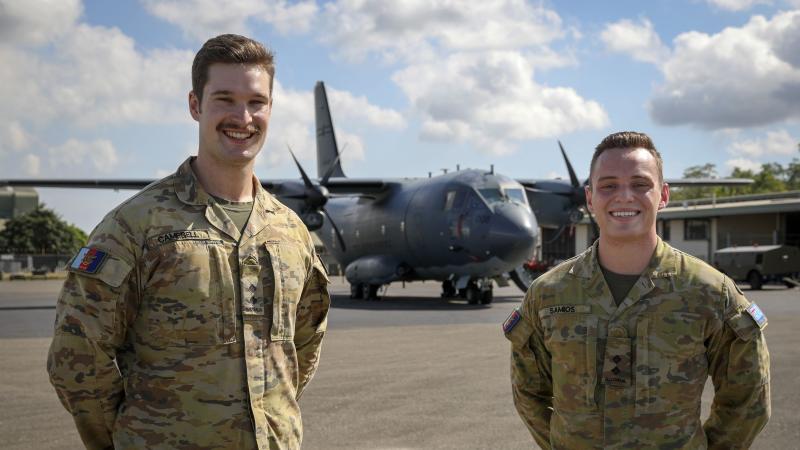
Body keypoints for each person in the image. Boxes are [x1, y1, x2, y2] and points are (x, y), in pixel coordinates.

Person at [47, 34, 331, 450]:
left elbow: (302, 347)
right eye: (225, 99)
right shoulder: (135, 225)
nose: (243, 117)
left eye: (256, 102)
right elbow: (77, 356)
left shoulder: (291, 232)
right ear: (195, 105)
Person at [504, 131, 770, 448]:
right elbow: (528, 392)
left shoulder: (711, 293)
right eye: (609, 186)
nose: (625, 196)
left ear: (663, 195)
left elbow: (748, 398)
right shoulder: (548, 294)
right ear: (590, 198)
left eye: (641, 184)